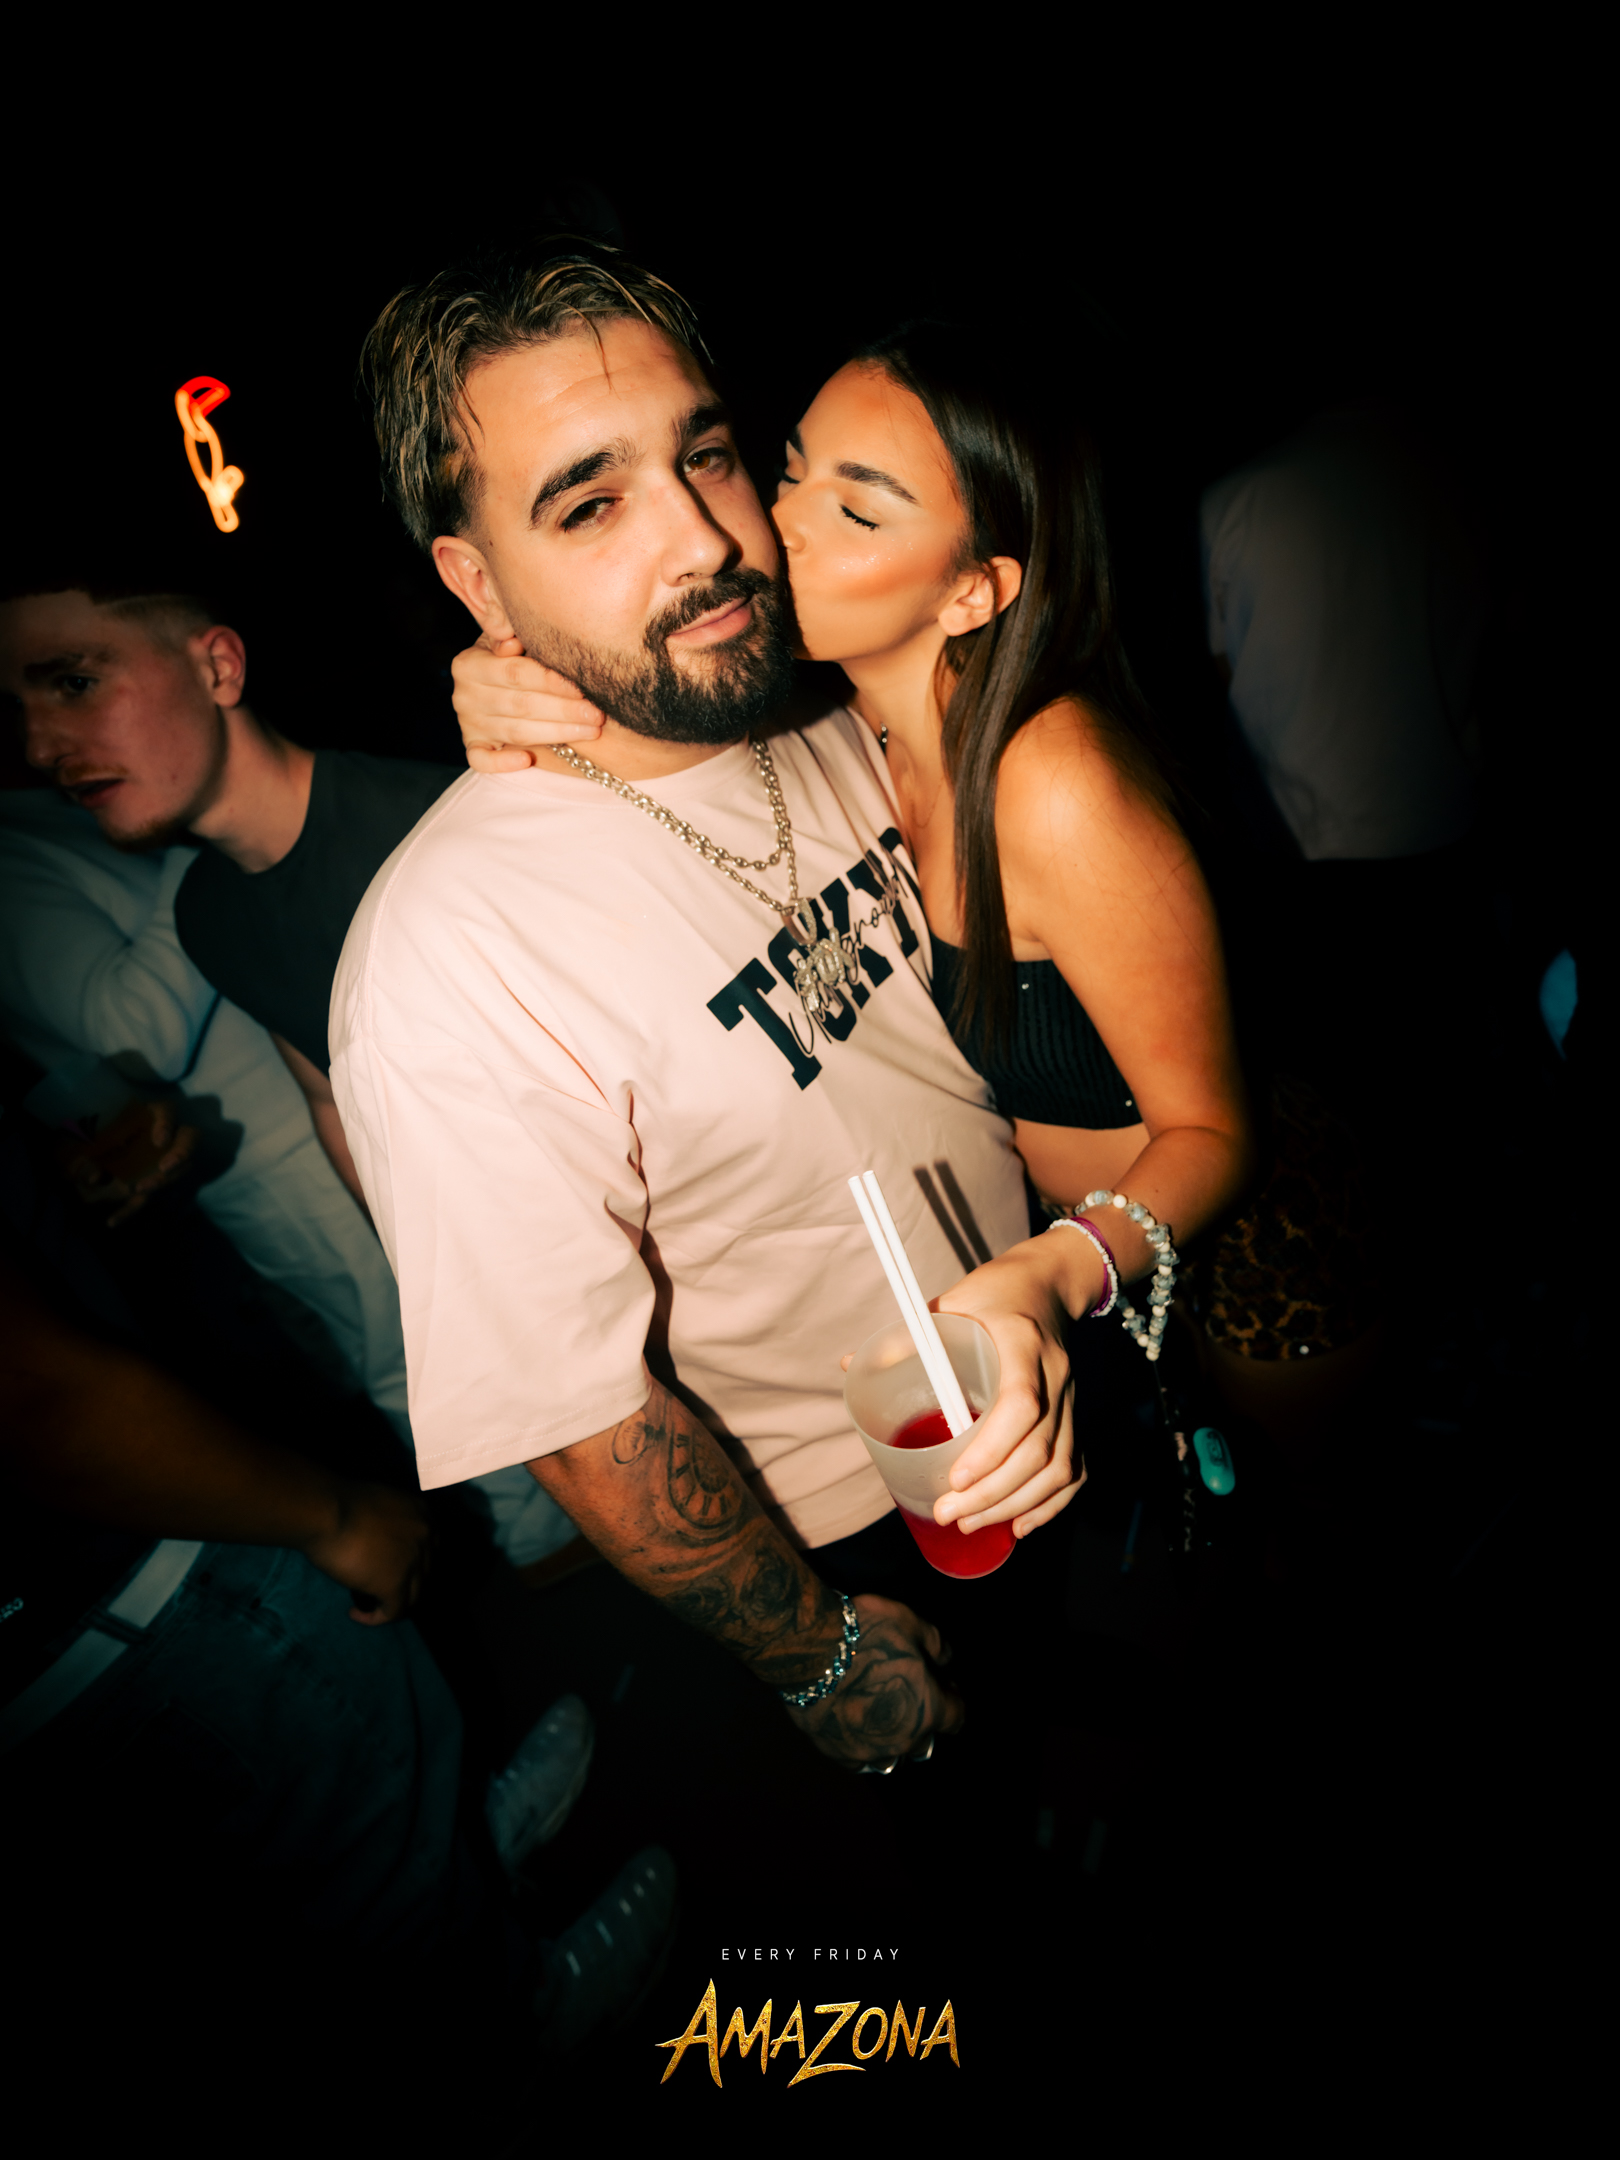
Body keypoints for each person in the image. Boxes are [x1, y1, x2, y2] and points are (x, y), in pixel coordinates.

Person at [338, 244, 1125, 1774]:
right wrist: (820, 1658)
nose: (702, 537)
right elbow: (581, 1414)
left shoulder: (833, 695)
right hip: (866, 1507)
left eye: (704, 455)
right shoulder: (446, 957)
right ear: (476, 585)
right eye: (589, 505)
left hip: (1054, 1350)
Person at [451, 314, 1382, 1497]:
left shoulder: (1055, 786)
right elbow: (651, 674)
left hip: (1247, 1244)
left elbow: (1214, 1133)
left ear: (972, 592)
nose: (766, 527)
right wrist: (504, 669)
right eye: (788, 473)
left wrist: (1057, 1269)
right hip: (1093, 1265)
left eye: (857, 511)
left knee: (1304, 1537)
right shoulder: (852, 729)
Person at [0, 1114, 674, 2070]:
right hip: (110, 1599)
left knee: (380, 1752)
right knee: (346, 1850)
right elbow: (34, 1399)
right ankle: (521, 2028)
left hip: (117, 1577)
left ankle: (459, 1844)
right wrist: (333, 1518)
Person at [0, 578, 574, 1572]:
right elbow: (327, 1101)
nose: (41, 746)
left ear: (219, 667)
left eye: (76, 683)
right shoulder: (208, 915)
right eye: (18, 708)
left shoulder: (431, 822)